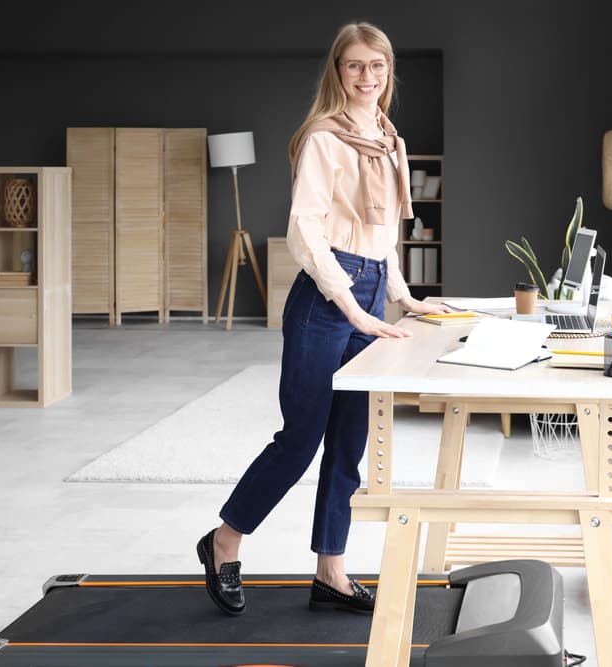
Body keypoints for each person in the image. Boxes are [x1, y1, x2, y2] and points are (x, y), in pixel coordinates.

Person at [196, 21, 448, 616]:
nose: (367, 77)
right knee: (300, 438)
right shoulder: (323, 139)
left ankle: (330, 571)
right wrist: (355, 308)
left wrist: (404, 297)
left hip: (366, 289)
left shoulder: (388, 138)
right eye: (355, 65)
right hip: (322, 302)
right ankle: (224, 541)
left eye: (377, 66)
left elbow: (384, 235)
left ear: (388, 72)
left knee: (348, 444)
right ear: (338, 72)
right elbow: (306, 233)